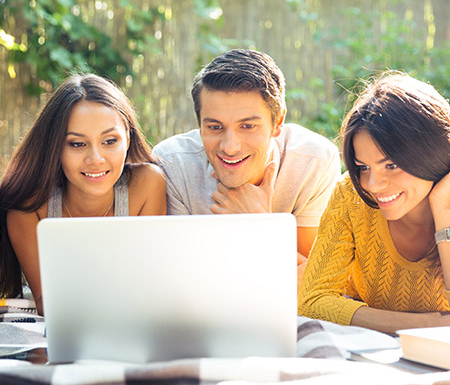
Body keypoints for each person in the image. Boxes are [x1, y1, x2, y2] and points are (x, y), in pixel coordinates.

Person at [0, 74, 166, 315]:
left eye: (110, 141)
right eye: (77, 144)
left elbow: (150, 288)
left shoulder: (148, 185)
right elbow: (51, 306)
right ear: (55, 147)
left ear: (127, 139)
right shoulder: (28, 207)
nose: (95, 159)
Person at [298, 72, 450, 334]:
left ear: (432, 153)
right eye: (363, 167)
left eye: (391, 165)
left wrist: (443, 210)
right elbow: (313, 302)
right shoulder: (351, 196)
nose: (371, 184)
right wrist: (427, 324)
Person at [153, 49, 340, 260]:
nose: (230, 147)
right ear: (199, 125)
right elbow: (177, 272)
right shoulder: (172, 164)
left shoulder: (314, 162)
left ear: (277, 123)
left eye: (248, 126)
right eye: (215, 127)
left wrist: (260, 226)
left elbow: (311, 282)